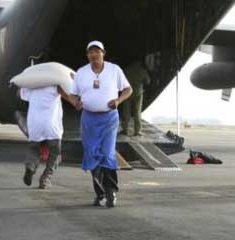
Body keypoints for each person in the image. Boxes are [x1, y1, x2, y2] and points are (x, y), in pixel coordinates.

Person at [70, 40, 132, 208]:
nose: (93, 54)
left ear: (103, 53)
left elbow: (128, 89)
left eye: (97, 51)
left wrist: (118, 100)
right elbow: (72, 94)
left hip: (109, 118)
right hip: (89, 119)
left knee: (107, 153)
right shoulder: (81, 73)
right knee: (92, 154)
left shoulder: (114, 70)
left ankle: (111, 191)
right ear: (87, 55)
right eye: (90, 52)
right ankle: (100, 194)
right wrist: (76, 102)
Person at [19, 80, 73, 189]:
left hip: (35, 125)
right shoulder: (55, 87)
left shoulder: (31, 88)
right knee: (55, 153)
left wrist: (24, 84)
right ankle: (45, 179)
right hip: (51, 126)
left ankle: (30, 167)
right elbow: (69, 97)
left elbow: (19, 93)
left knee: (34, 149)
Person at [119, 60, 149, 137]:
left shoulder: (126, 70)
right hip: (138, 93)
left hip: (127, 93)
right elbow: (148, 81)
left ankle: (125, 130)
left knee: (126, 112)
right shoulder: (142, 70)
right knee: (137, 112)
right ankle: (137, 131)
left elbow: (121, 82)